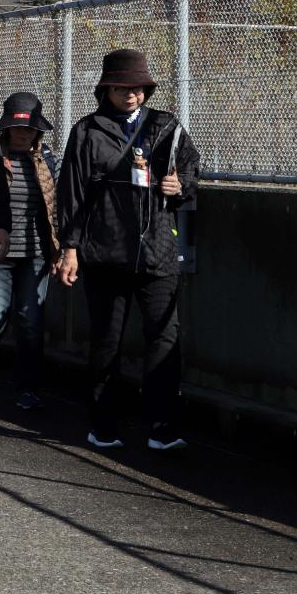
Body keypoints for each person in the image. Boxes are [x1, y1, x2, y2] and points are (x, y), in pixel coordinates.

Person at [55, 49, 199, 452]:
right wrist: (70, 247)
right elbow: (71, 192)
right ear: (106, 89)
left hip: (157, 250)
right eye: (122, 88)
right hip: (104, 252)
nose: (131, 95)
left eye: (137, 87)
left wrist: (179, 187)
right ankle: (103, 425)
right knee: (106, 341)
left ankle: (163, 427)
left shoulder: (166, 126)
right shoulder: (87, 130)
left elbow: (190, 168)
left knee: (165, 338)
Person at [0, 92, 61, 410]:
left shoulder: (47, 162)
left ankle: (27, 386)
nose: (23, 133)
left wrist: (60, 250)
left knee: (30, 320)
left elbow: (56, 208)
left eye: (29, 129)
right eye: (17, 128)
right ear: (7, 129)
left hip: (37, 253)